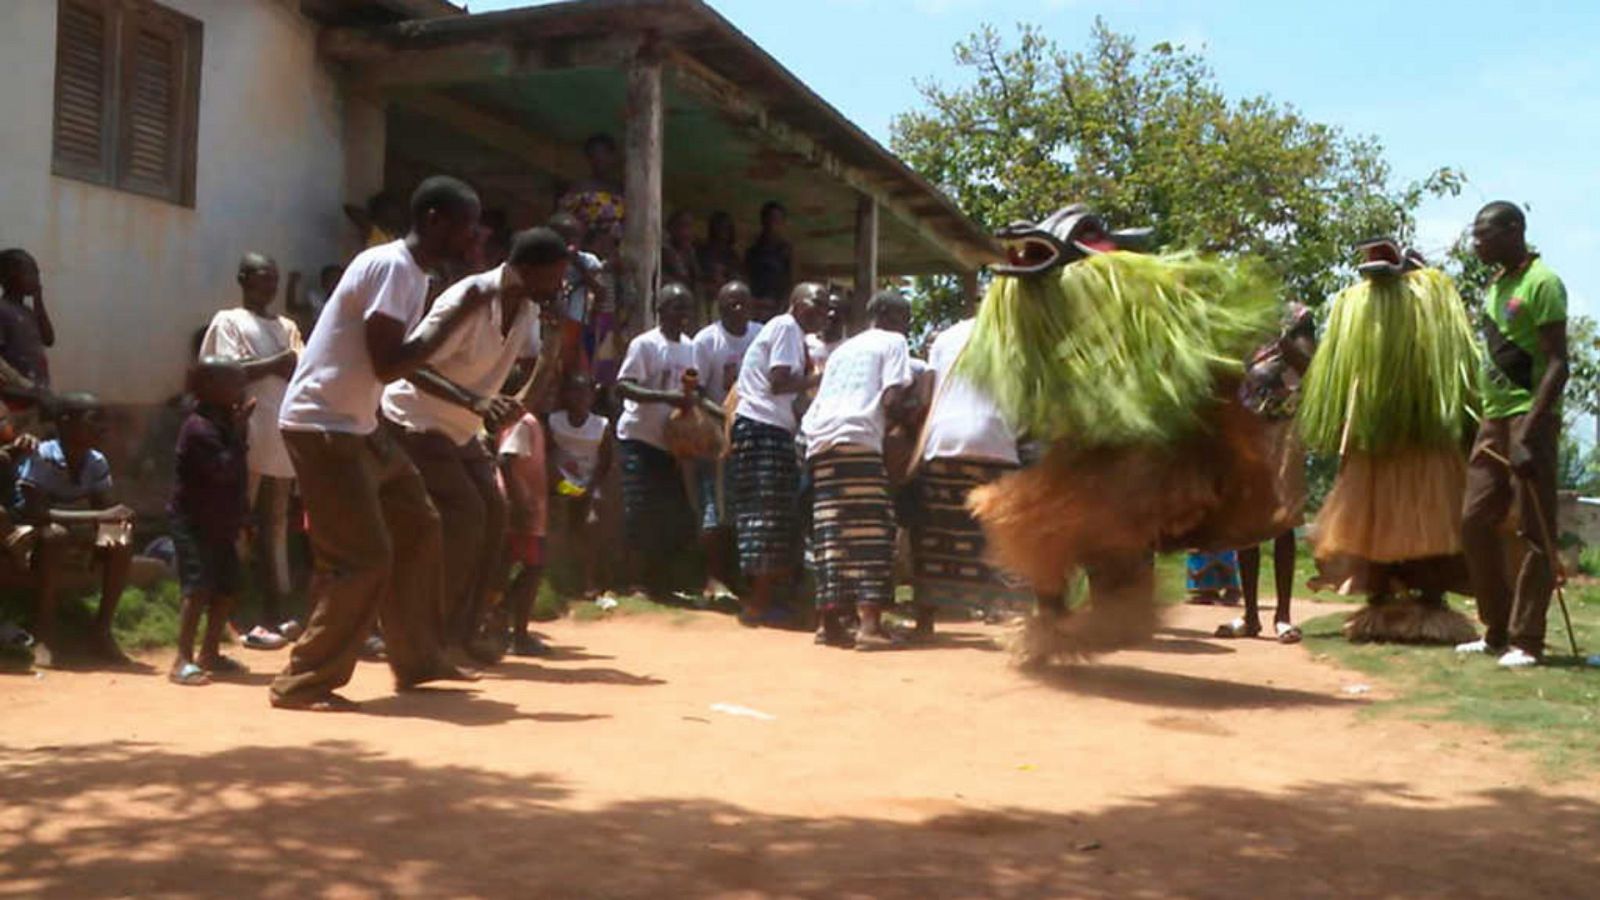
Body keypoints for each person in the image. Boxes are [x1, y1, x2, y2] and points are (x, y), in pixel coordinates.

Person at [273, 175, 489, 712]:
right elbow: (389, 362)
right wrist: (455, 320)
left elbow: (397, 363)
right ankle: (304, 681)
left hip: (360, 425)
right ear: (434, 219)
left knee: (419, 524)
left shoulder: (412, 274)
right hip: (324, 427)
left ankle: (418, 657)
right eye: (465, 227)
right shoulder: (393, 267)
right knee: (362, 558)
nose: (472, 238)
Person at [381, 227, 568, 665]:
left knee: (496, 516)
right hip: (416, 419)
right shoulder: (469, 298)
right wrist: (475, 401)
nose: (560, 288)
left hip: (462, 429)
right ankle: (432, 631)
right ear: (528, 270)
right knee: (467, 515)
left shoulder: (526, 312)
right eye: (555, 276)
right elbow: (409, 366)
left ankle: (465, 631)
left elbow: (520, 404)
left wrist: (553, 346)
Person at [1298, 239, 1481, 645]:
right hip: (1379, 441)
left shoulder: (1430, 306)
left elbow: (1455, 370)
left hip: (1423, 437)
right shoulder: (1357, 309)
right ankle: (1382, 602)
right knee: (1375, 528)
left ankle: (1429, 604)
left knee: (1430, 528)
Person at [1457, 203, 1569, 668]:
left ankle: (1527, 640)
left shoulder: (1542, 283)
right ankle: (1496, 628)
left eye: (1485, 235)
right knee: (1473, 520)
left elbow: (1558, 363)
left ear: (1514, 230)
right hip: (1493, 418)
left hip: (1530, 419)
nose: (1477, 244)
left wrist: (1531, 430)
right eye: (1475, 236)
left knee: (1533, 528)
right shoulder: (1495, 285)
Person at [801, 290, 918, 649]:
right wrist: (910, 418)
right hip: (858, 439)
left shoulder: (844, 350)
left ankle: (829, 623)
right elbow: (890, 398)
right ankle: (869, 627)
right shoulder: (893, 342)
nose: (907, 325)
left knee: (832, 532)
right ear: (886, 315)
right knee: (872, 529)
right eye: (905, 317)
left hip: (819, 443)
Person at [199, 252, 304, 650]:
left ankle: (277, 610)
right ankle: (227, 613)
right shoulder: (228, 321)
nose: (270, 286)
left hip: (281, 440)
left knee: (276, 528)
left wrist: (279, 364)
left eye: (274, 279)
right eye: (262, 278)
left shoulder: (287, 326)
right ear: (243, 279)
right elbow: (227, 373)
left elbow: (300, 364)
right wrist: (276, 362)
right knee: (235, 526)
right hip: (244, 436)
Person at [907, 315, 1032, 637]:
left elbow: (926, 396)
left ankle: (925, 618)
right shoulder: (1015, 333)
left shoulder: (946, 336)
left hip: (944, 438)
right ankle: (1015, 617)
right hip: (996, 441)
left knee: (937, 532)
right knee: (1002, 533)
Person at [1217, 302, 1316, 643]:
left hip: (1283, 431)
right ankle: (1250, 615)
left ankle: (1283, 616)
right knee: (1247, 524)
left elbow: (1307, 364)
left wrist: (1283, 340)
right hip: (1247, 432)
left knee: (1282, 521)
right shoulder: (1242, 317)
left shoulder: (1297, 317)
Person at [730, 283, 827, 625]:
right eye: (818, 304)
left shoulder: (791, 334)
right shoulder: (787, 328)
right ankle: (758, 605)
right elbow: (779, 383)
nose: (824, 312)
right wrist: (819, 378)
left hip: (769, 427)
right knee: (765, 515)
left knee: (772, 515)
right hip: (762, 427)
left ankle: (765, 601)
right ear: (798, 304)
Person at [17, 394, 135, 669]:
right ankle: (44, 632)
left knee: (122, 537)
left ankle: (102, 630)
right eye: (94, 420)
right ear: (66, 423)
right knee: (54, 535)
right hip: (29, 534)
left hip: (73, 529)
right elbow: (37, 514)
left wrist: (117, 519)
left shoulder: (95, 460)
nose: (102, 428)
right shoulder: (43, 455)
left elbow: (105, 508)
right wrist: (99, 516)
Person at [614, 283, 701, 601]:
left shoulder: (690, 348)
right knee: (638, 510)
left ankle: (661, 584)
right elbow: (624, 386)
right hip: (638, 437)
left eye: (686, 309)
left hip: (670, 444)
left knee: (670, 514)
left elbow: (693, 390)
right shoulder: (645, 344)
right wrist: (665, 396)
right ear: (661, 310)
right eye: (676, 307)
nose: (682, 315)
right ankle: (635, 582)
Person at [168, 360, 252, 686]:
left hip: (222, 519)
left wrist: (245, 516)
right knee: (198, 586)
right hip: (193, 520)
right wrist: (240, 434)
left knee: (228, 586)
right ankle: (182, 658)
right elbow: (221, 471)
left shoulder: (222, 422)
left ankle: (210, 652)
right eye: (232, 382)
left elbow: (237, 477)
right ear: (208, 386)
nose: (239, 387)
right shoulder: (198, 428)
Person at [690, 281, 757, 603]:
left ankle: (742, 577)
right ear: (720, 306)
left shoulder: (760, 335)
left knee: (746, 511)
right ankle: (713, 578)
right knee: (714, 510)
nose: (738, 309)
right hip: (717, 435)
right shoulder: (707, 341)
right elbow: (698, 392)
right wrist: (727, 416)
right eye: (731, 303)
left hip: (753, 434)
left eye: (743, 303)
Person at [546, 370, 612, 600]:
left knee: (591, 520)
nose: (579, 398)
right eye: (574, 392)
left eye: (584, 393)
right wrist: (568, 487)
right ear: (566, 395)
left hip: (588, 484)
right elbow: (547, 458)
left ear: (592, 397)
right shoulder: (555, 421)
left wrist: (589, 488)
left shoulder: (601, 425)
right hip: (559, 483)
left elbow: (605, 463)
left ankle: (589, 580)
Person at [499, 403, 550, 656]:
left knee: (519, 567)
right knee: (531, 567)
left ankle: (502, 624)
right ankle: (515, 633)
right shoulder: (524, 422)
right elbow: (506, 460)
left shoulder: (530, 421)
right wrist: (519, 501)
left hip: (527, 507)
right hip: (522, 508)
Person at [549, 212, 608, 376]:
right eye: (563, 237)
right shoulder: (546, 259)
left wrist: (578, 264)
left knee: (576, 372)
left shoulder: (588, 261)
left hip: (577, 325)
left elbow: (601, 292)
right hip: (549, 323)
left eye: (573, 238)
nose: (569, 242)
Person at [0, 249, 55, 391]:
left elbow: (49, 340)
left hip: (39, 393)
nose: (36, 278)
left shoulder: (29, 312)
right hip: (16, 396)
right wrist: (21, 385)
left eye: (37, 273)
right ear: (8, 277)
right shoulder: (2, 310)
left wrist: (39, 301)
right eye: (29, 273)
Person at [558, 133, 625, 243]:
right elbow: (563, 220)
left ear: (613, 156)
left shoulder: (622, 190)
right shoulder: (580, 188)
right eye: (594, 155)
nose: (599, 159)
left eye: (604, 153)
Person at [744, 201, 793, 318]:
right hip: (754, 307)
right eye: (770, 219)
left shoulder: (785, 251)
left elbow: (790, 281)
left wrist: (781, 307)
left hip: (777, 307)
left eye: (777, 221)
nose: (772, 225)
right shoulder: (753, 250)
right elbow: (746, 277)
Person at [662, 211, 703, 323]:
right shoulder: (665, 250)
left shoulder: (689, 250)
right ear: (671, 228)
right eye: (682, 226)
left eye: (689, 226)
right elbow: (682, 276)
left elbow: (697, 278)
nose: (687, 232)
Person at [697, 210, 740, 301]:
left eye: (726, 227)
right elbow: (697, 275)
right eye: (720, 227)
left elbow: (737, 279)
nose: (722, 231)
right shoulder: (702, 251)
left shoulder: (733, 256)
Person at [805, 288, 848, 372]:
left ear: (845, 316)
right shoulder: (805, 342)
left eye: (838, 310)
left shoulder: (849, 348)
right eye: (828, 309)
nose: (832, 314)